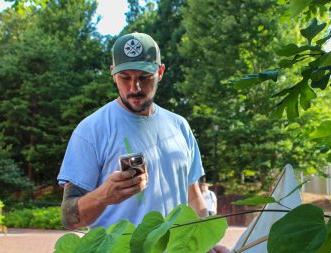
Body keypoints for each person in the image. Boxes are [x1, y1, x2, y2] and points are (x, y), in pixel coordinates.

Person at [57, 32, 229, 253]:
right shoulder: (91, 130)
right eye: (125, 77)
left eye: (144, 77)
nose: (134, 88)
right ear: (112, 74)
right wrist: (104, 195)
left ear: (160, 72)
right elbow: (69, 218)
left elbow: (193, 196)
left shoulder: (180, 127)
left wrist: (208, 243)